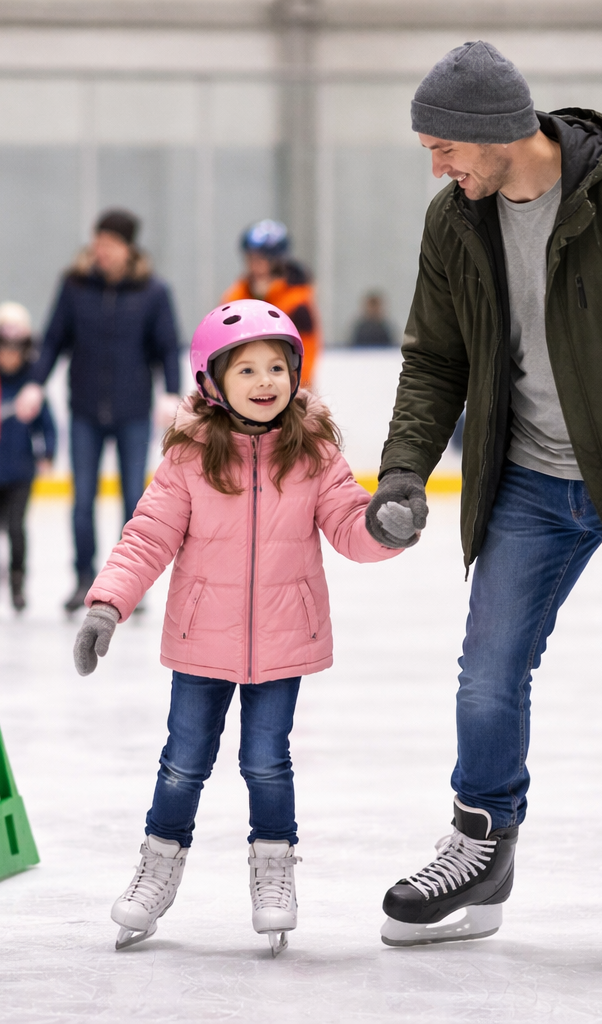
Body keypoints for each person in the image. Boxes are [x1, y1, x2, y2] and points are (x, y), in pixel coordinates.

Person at [365, 42, 602, 971]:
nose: (437, 168)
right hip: (530, 485)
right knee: (487, 671)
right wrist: (405, 471)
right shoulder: (455, 219)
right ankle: (481, 847)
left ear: (498, 132)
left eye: (443, 148)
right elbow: (434, 358)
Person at [72, 299, 403, 955]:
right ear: (212, 382)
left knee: (266, 764)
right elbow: (147, 538)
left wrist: (385, 528)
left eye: (277, 367)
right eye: (247, 369)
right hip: (201, 643)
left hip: (283, 643)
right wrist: (108, 603)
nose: (264, 382)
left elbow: (348, 528)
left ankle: (274, 874)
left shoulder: (313, 452)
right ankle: (157, 871)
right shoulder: (191, 457)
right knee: (182, 764)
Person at [15, 209, 182, 612]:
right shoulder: (74, 287)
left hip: (133, 411)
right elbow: (54, 339)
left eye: (109, 244)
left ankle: (130, 582)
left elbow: (167, 347)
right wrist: (35, 382)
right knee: (83, 498)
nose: (100, 251)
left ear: (128, 248)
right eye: (97, 243)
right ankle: (83, 579)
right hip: (86, 409)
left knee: (133, 500)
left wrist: (172, 392)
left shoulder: (153, 292)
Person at [0, 301, 56, 612]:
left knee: (15, 527)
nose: (10, 356)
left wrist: (47, 453)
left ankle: (17, 581)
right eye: (4, 348)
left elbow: (48, 426)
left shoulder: (30, 388)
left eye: (17, 349)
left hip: (21, 472)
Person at [222, 220, 323, 383]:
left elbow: (307, 352)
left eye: (261, 260)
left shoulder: (297, 301)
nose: (254, 266)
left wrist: (295, 390)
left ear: (277, 262)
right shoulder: (236, 295)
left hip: (284, 388)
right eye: (250, 258)